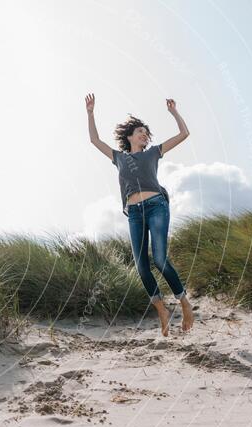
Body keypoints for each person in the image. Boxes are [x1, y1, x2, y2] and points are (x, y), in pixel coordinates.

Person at [85, 93, 193, 336]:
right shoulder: (119, 158)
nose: (145, 135)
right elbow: (94, 140)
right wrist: (91, 113)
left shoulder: (153, 152)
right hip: (134, 213)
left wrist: (174, 112)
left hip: (156, 206)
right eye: (140, 131)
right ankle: (161, 309)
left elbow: (184, 134)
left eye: (146, 132)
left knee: (160, 259)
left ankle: (184, 303)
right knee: (141, 266)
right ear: (130, 136)